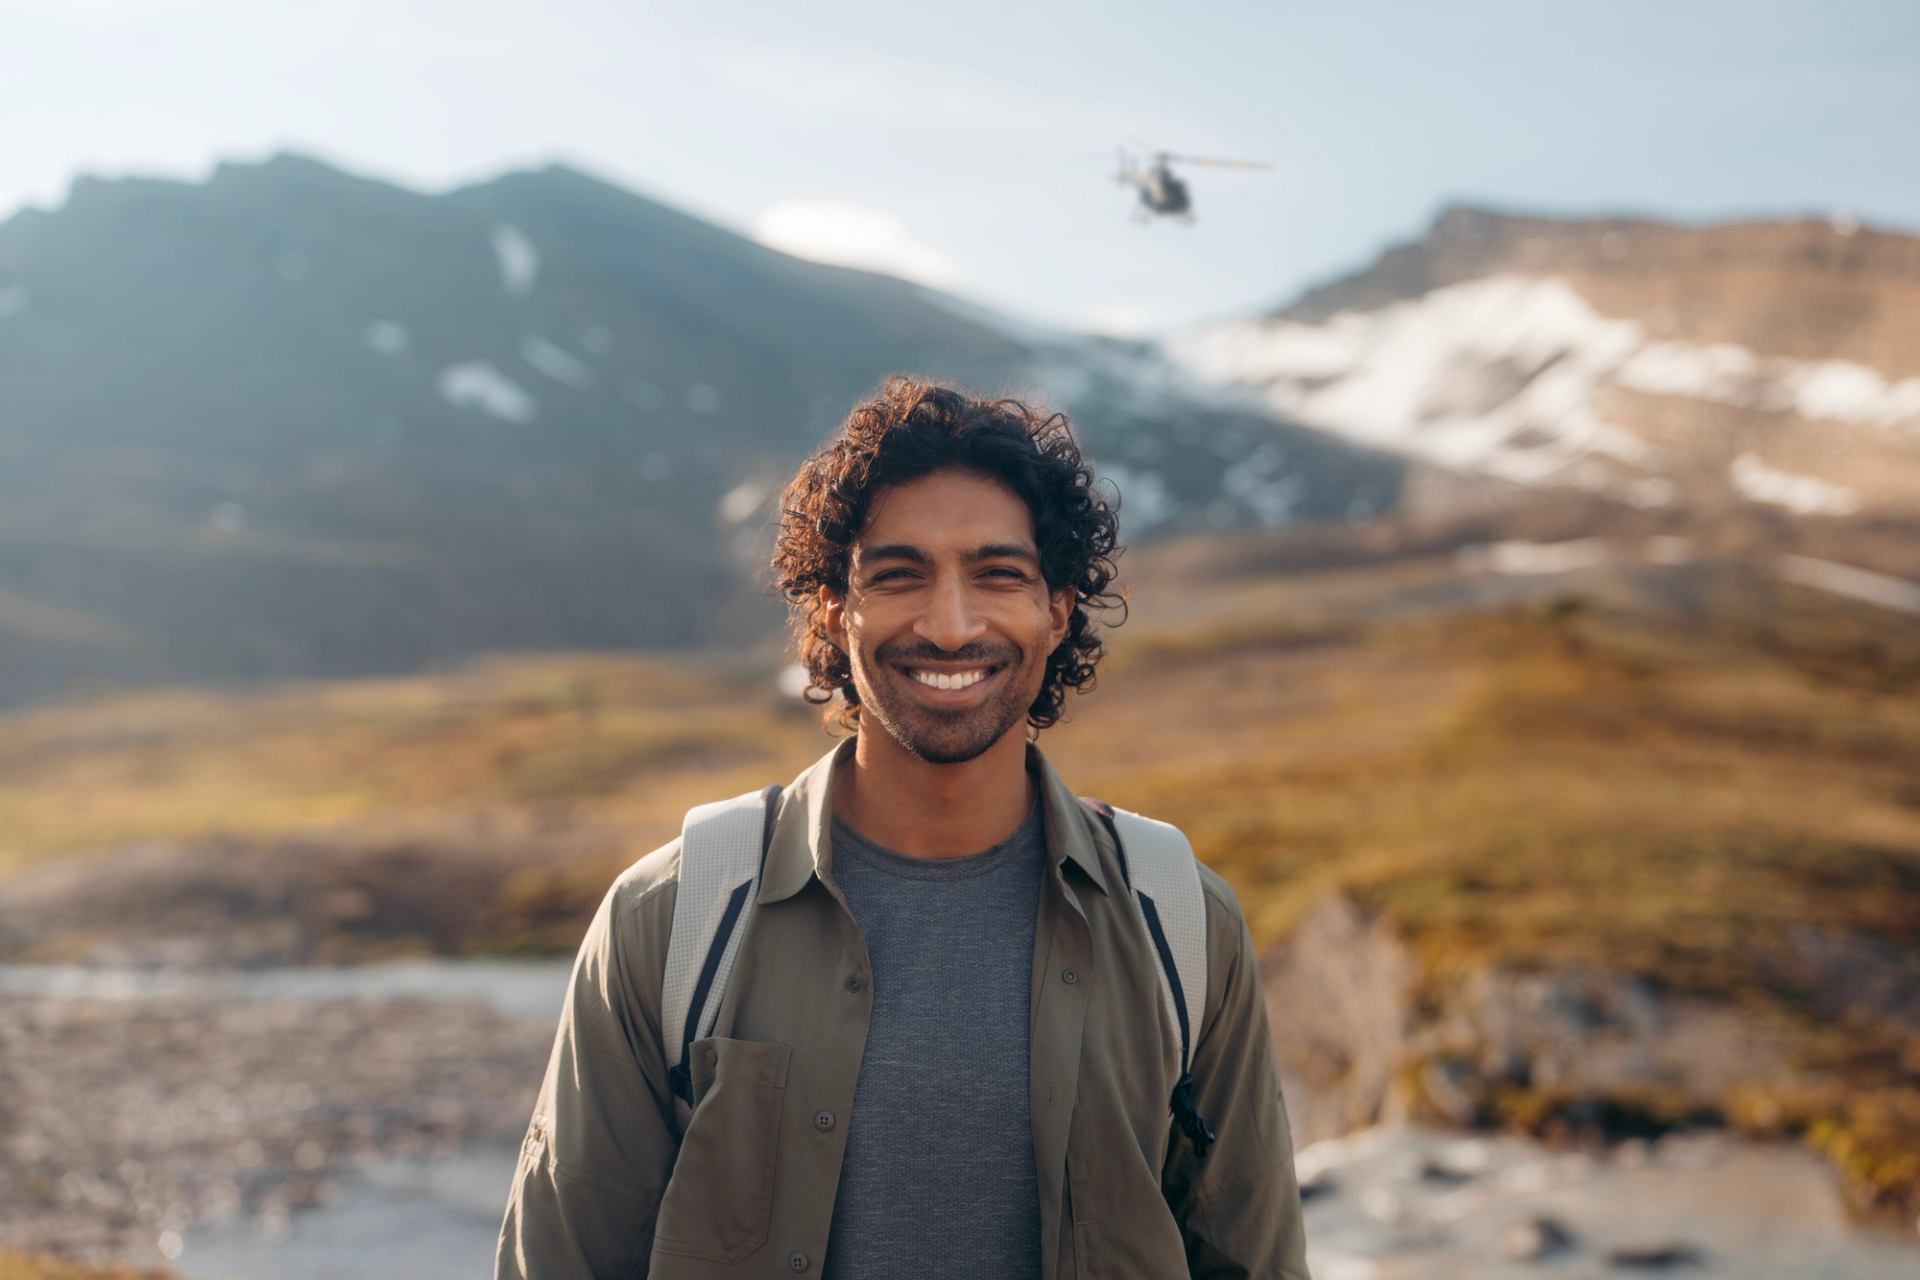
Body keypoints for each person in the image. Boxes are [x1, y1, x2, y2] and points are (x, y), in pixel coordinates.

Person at [495, 377, 1312, 1278]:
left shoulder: (1182, 924)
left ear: (1058, 610)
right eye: (899, 575)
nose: (950, 625)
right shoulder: (671, 918)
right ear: (836, 611)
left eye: (997, 574)